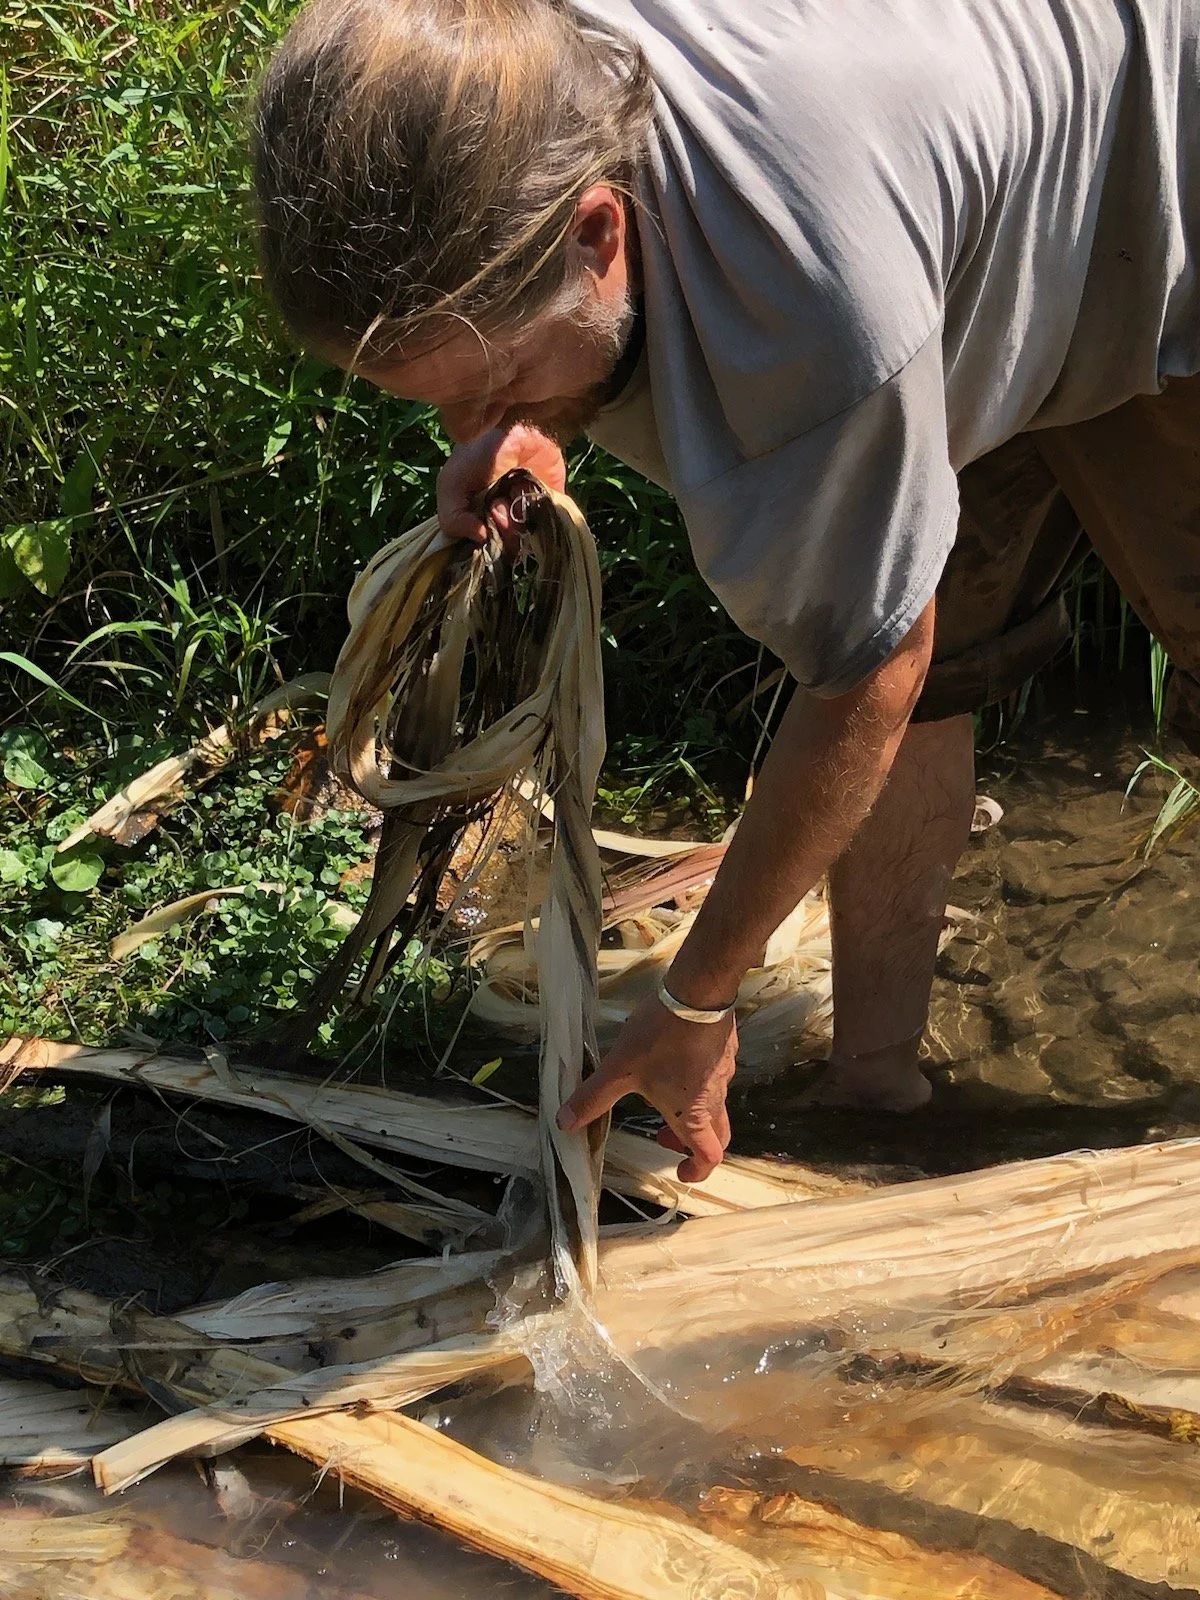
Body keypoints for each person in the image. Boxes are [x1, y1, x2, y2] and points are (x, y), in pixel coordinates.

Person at [251, 0, 1200, 1182]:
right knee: (934, 655)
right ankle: (879, 1096)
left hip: (1157, 165)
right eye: (430, 398)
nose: (464, 433)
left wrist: (697, 1004)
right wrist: (526, 414)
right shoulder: (507, 87)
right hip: (936, 220)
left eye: (492, 378)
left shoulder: (806, 308)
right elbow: (910, 659)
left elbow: (868, 678)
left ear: (601, 232)